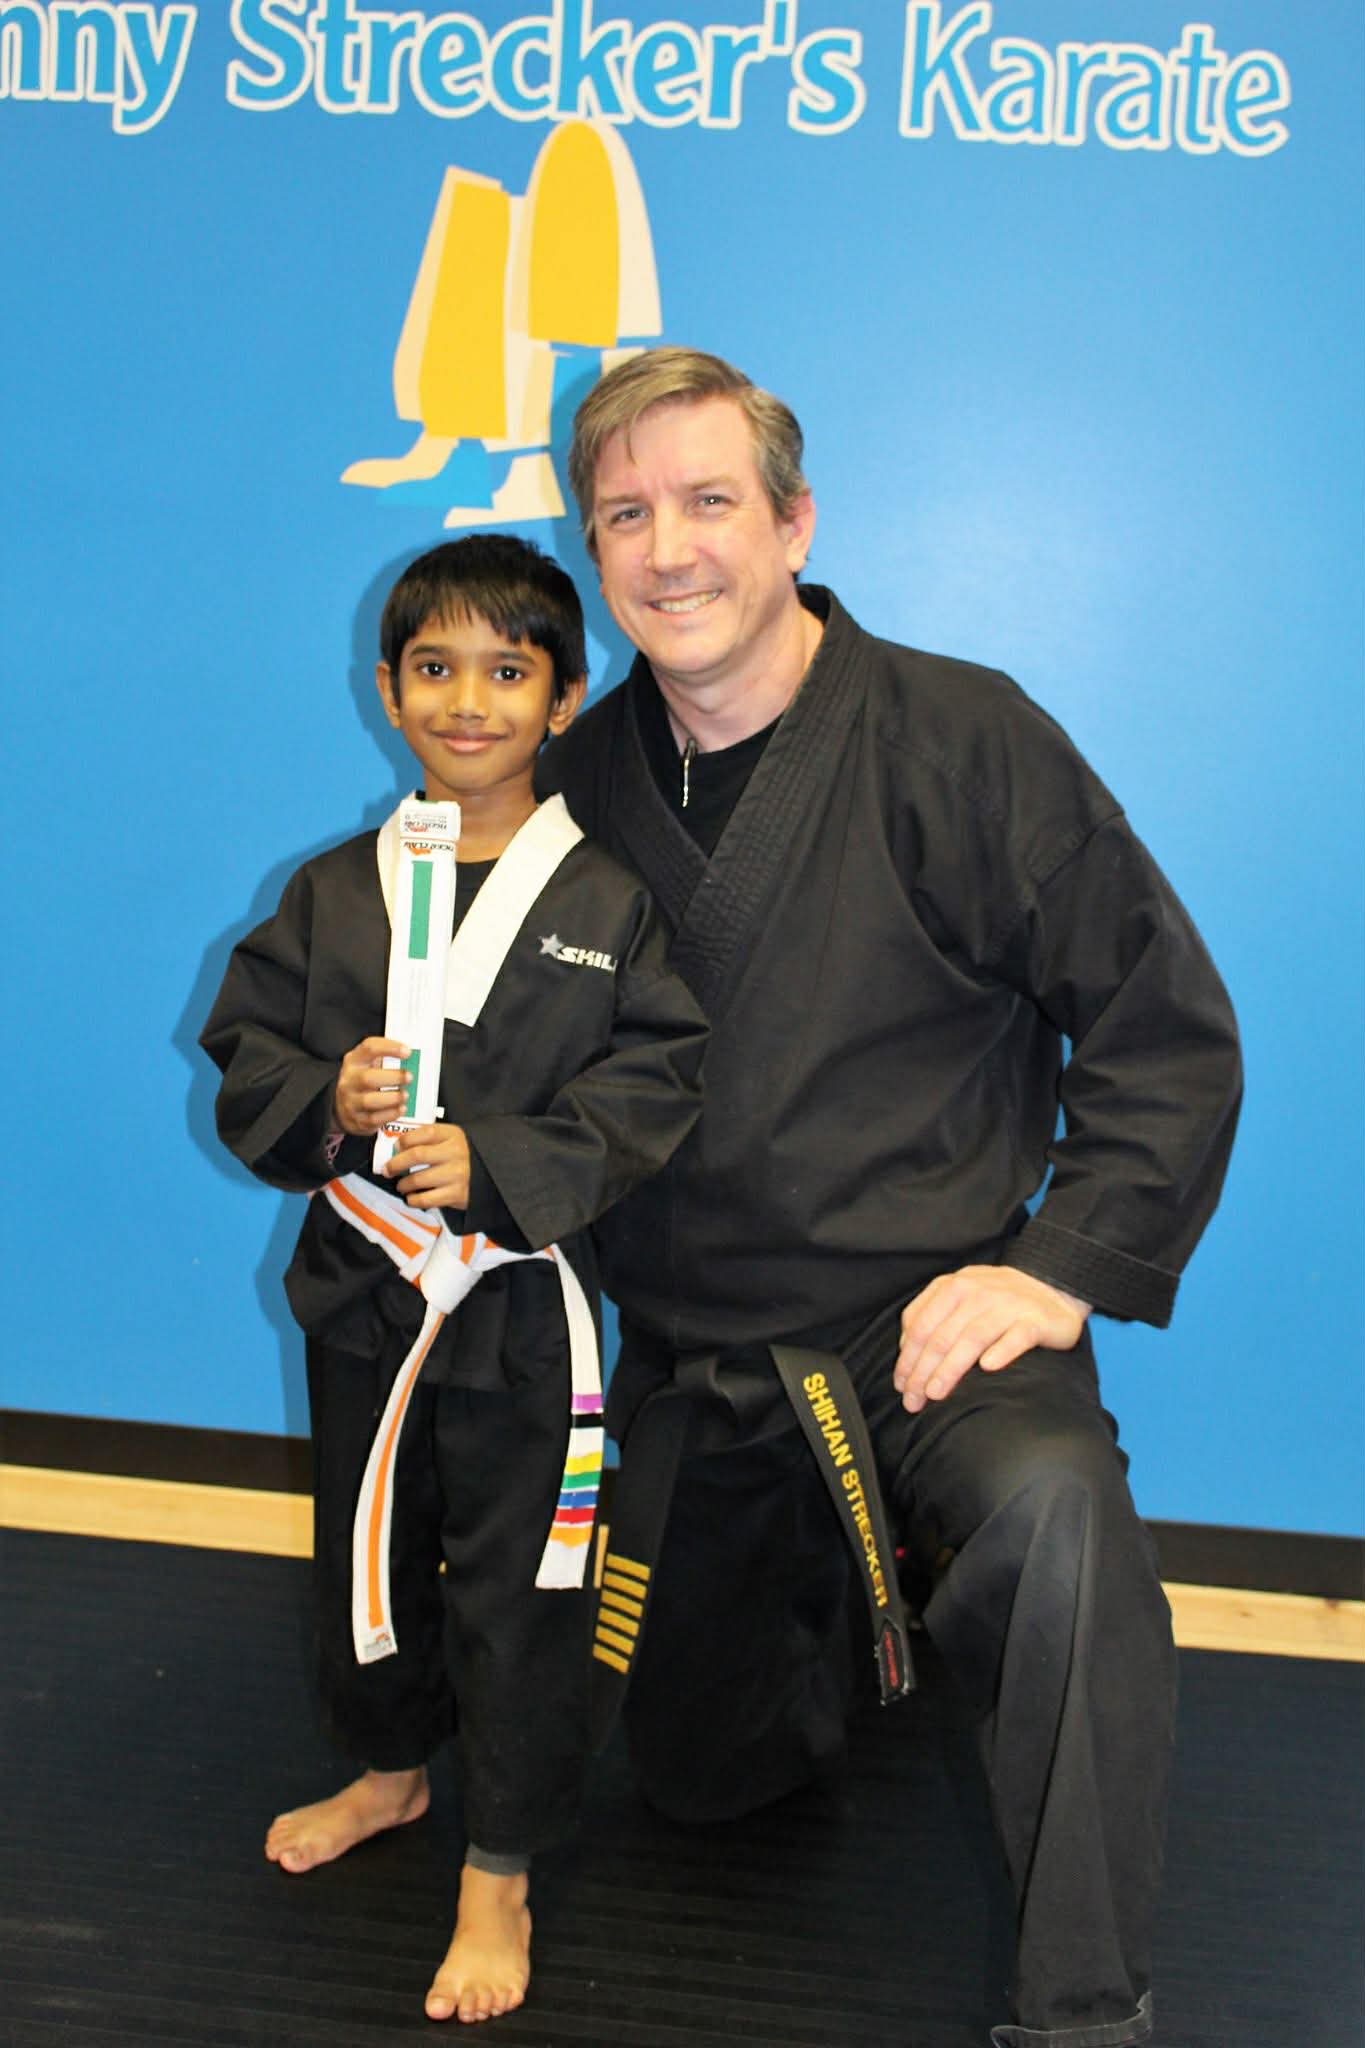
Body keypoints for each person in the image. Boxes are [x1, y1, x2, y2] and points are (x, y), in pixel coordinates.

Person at [537, 348, 1242, 2047]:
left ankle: (1081, 2012)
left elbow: (1161, 1027)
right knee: (702, 1783)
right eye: (624, 514)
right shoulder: (573, 789)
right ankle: (841, 1640)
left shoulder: (962, 735)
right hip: (703, 1363)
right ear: (590, 546)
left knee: (1059, 1532)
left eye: (709, 502)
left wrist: (1052, 1270)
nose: (667, 549)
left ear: (793, 524)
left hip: (930, 1339)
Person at [201, 535, 707, 2026]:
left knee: (520, 1583)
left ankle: (501, 1865)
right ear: (388, 688)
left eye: (506, 670)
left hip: (517, 1311)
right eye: (435, 668)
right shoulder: (329, 891)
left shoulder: (604, 901)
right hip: (365, 1292)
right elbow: (246, 1052)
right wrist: (329, 1097)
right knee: (366, 1548)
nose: (467, 701)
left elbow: (658, 1080)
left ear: (564, 699)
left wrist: (501, 1160)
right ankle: (388, 1768)